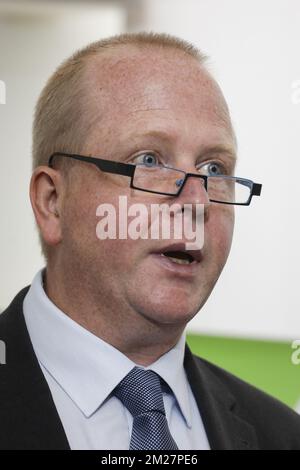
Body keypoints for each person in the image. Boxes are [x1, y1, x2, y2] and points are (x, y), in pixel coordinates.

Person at [0, 32, 299, 450]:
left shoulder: (282, 435)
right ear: (53, 202)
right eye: (149, 161)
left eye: (214, 168)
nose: (196, 202)